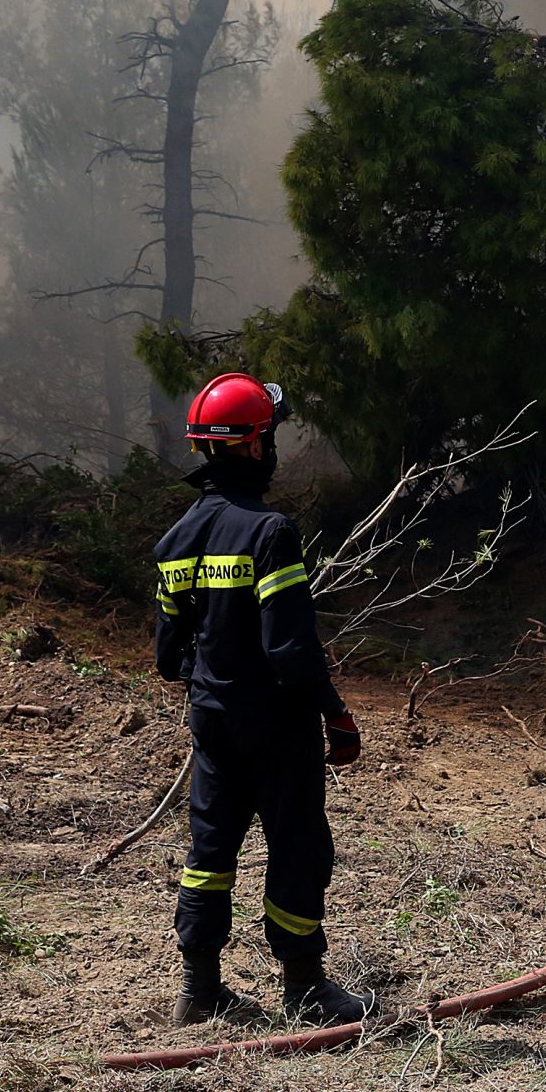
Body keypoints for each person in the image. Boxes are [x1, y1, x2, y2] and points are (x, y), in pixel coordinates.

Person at [154, 372, 372, 1027]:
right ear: (251, 447)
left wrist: (214, 674)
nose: (273, 446)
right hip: (279, 728)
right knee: (298, 847)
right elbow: (290, 651)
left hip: (213, 727)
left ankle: (199, 991)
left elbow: (170, 659)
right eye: (269, 435)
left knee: (210, 852)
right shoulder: (270, 532)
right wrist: (336, 711)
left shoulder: (174, 543)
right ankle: (305, 988)